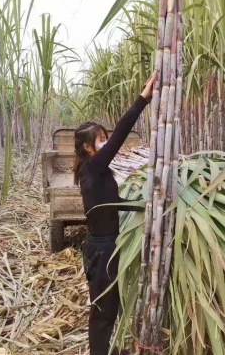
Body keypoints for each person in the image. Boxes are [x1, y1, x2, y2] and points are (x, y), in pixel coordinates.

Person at [74, 72, 157, 355]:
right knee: (102, 312)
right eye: (100, 140)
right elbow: (122, 133)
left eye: (104, 139)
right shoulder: (92, 168)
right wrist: (142, 100)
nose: (106, 143)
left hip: (110, 245)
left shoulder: (97, 172)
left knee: (112, 306)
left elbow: (112, 202)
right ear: (87, 147)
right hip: (102, 250)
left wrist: (144, 206)